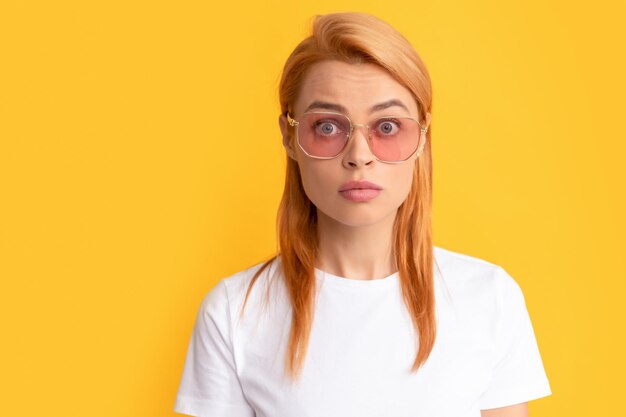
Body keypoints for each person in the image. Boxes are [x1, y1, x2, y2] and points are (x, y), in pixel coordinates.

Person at [173, 12, 551, 417]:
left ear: (422, 136)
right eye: (328, 127)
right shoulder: (235, 311)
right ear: (288, 136)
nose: (359, 156)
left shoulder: (490, 297)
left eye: (387, 127)